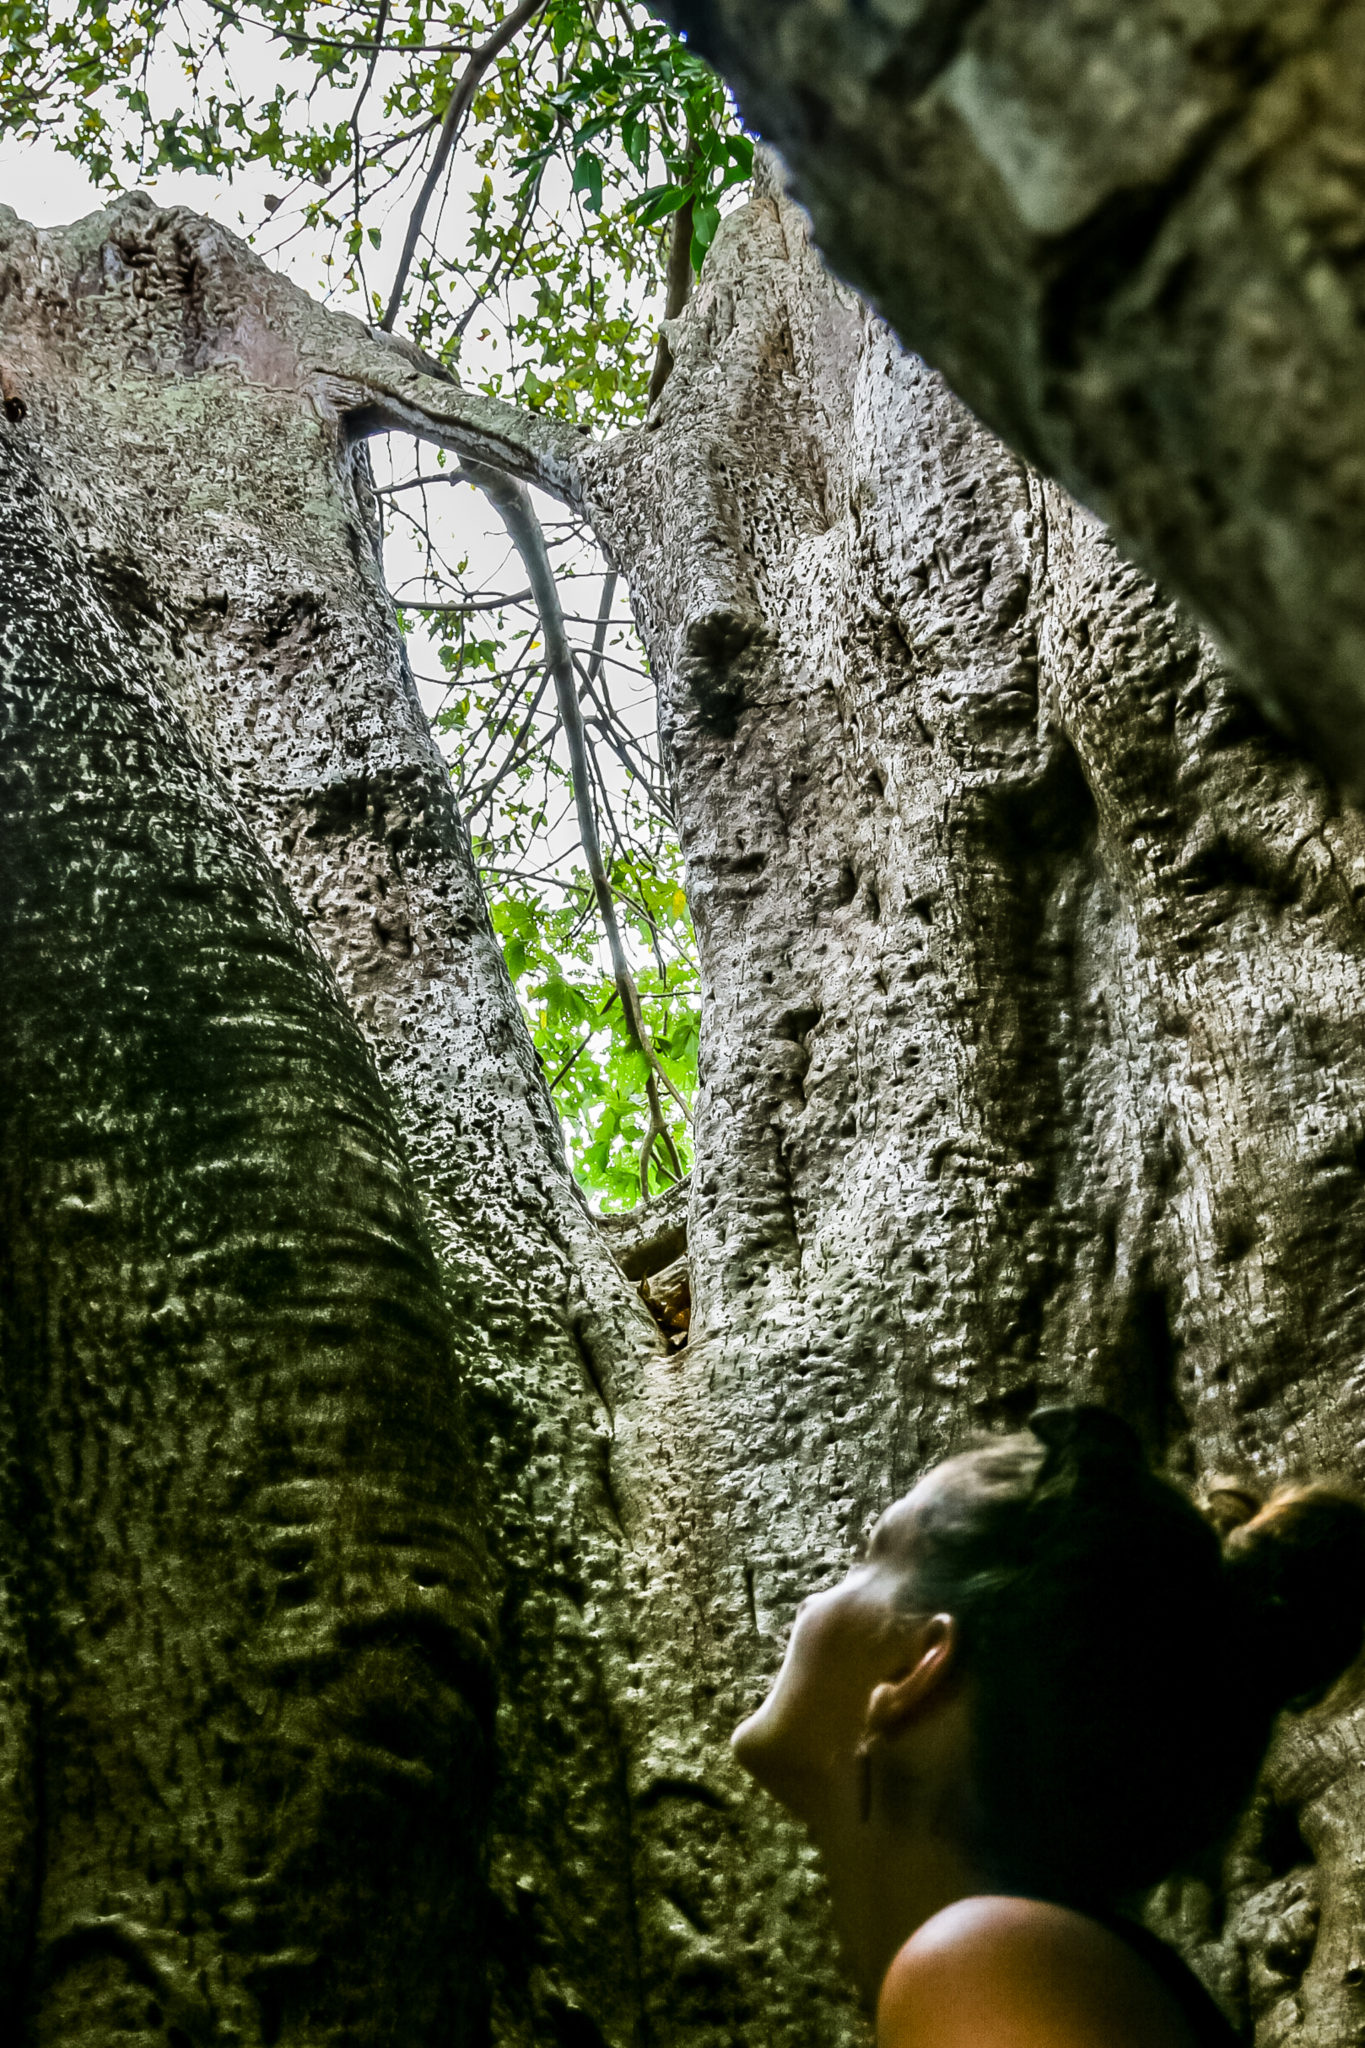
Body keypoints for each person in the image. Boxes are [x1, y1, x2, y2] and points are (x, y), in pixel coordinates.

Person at [732, 1405, 1365, 2047]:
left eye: (871, 1557)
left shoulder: (981, 1960)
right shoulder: (1053, 1968)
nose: (812, 1599)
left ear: (919, 1664)